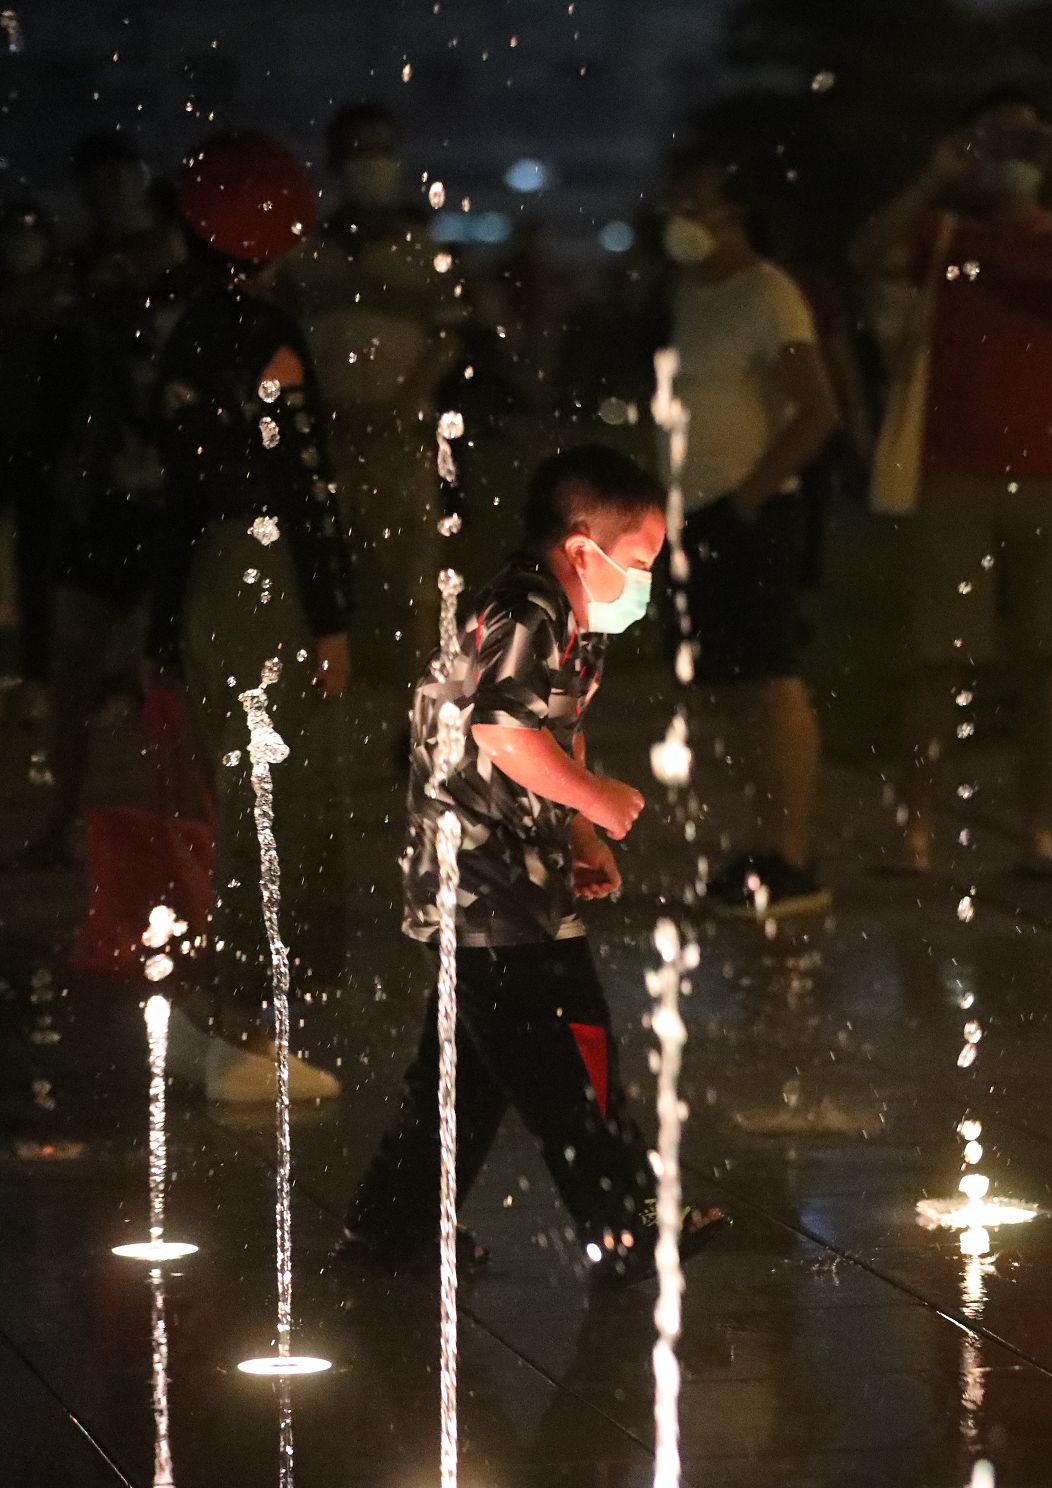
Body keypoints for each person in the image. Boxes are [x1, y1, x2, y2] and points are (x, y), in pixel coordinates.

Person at [338, 446, 724, 1282]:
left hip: (508, 876)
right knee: (568, 1049)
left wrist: (579, 840)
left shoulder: (566, 617)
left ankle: (393, 1229)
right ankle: (625, 1227)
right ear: (583, 549)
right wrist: (594, 799)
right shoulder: (526, 610)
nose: (648, 583)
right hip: (482, 879)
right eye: (641, 563)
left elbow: (557, 724)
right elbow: (503, 731)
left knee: (467, 1073)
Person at [852, 87, 1052, 875]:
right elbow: (865, 254)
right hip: (954, 471)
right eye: (1000, 144)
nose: (1012, 163)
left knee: (1050, 660)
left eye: (1025, 145)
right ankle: (914, 834)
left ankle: (1039, 834)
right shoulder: (945, 234)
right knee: (936, 660)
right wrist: (936, 178)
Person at [157, 132, 354, 1103]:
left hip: (200, 573)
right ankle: (251, 1023)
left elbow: (169, 484)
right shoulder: (270, 334)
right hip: (261, 571)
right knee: (273, 795)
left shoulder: (183, 330)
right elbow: (300, 475)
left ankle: (221, 1006)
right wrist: (333, 610)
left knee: (230, 785)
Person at [659, 147, 840, 920]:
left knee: (769, 679)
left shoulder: (770, 295)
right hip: (690, 512)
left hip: (747, 512)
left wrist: (750, 498)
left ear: (738, 217)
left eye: (701, 205)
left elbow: (816, 410)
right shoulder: (694, 298)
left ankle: (794, 854)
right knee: (728, 686)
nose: (684, 220)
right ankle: (762, 845)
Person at [27, 134, 192, 864]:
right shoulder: (81, 273)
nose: (113, 197)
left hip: (163, 495)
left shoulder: (180, 269)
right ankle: (70, 815)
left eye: (124, 181)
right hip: (100, 496)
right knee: (76, 666)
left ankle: (168, 819)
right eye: (102, 185)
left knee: (162, 671)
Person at [281, 101, 461, 707]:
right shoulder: (304, 251)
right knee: (320, 588)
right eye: (359, 151)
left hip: (399, 442)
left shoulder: (420, 249)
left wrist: (399, 408)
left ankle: (415, 726)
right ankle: (328, 726)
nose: (371, 164)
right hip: (324, 442)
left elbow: (447, 338)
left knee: (411, 589)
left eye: (380, 150)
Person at [0, 201, 76, 724]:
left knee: (43, 569)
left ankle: (39, 676)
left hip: (45, 455)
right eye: (12, 236)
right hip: (11, 449)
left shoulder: (65, 302)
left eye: (31, 235)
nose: (22, 245)